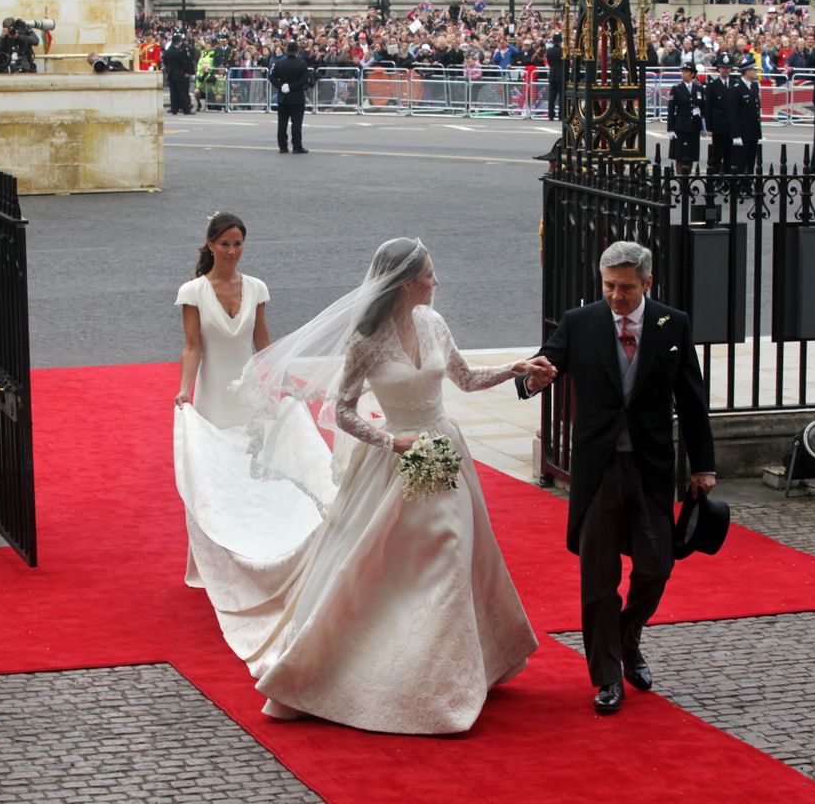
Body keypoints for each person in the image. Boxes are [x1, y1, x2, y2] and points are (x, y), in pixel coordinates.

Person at [173, 237, 542, 733]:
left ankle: (451, 674)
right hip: (394, 460)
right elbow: (340, 411)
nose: (437, 282)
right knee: (378, 566)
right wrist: (393, 442)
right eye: (429, 274)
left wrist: (515, 370)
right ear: (406, 283)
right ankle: (383, 664)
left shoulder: (433, 324)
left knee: (455, 554)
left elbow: (465, 378)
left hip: (446, 455)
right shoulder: (367, 341)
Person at [516, 241, 716, 715]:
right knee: (598, 579)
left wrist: (703, 466)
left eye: (626, 287)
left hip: (650, 468)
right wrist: (532, 379)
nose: (615, 296)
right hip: (598, 470)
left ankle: (627, 637)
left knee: (656, 565)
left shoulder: (673, 324)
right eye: (608, 286)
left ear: (648, 284)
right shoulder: (580, 322)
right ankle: (606, 676)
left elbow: (692, 399)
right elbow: (544, 365)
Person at [174, 212, 272, 428]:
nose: (232, 251)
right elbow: (192, 347)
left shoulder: (257, 288)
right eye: (224, 244)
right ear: (211, 245)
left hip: (248, 391)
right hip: (212, 395)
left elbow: (263, 341)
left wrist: (280, 378)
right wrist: (184, 389)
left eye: (238, 244)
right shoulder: (192, 292)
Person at [268, 40, 309, 154]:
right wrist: (292, 86)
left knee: (282, 122)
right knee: (296, 123)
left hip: (283, 97)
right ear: (297, 51)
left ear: (286, 50)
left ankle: (282, 146)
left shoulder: (280, 63)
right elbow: (304, 80)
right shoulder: (301, 64)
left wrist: (281, 86)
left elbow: (271, 77)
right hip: (296, 97)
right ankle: (297, 146)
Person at [667, 61, 704, 175]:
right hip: (681, 126)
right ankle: (681, 180)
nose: (684, 74)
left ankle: (687, 178)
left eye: (687, 72)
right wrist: (670, 129)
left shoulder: (698, 88)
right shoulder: (676, 88)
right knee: (680, 155)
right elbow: (671, 109)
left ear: (693, 74)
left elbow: (703, 106)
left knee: (691, 155)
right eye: (683, 72)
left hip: (694, 126)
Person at [705, 52, 735, 184]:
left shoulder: (735, 83)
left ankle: (728, 180)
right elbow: (708, 107)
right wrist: (709, 126)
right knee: (717, 154)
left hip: (732, 126)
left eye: (727, 67)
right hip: (719, 125)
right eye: (723, 67)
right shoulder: (712, 85)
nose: (725, 70)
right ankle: (716, 180)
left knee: (730, 155)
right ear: (718, 69)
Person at [729, 56, 763, 176]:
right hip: (743, 132)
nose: (755, 72)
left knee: (751, 161)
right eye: (753, 70)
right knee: (741, 162)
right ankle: (739, 186)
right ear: (747, 71)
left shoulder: (754, 86)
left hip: (753, 131)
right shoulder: (737, 89)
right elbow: (734, 114)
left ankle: (748, 185)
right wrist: (736, 135)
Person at [163, 33, 195, 115]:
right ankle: (186, 109)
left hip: (171, 74)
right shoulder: (179, 52)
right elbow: (183, 63)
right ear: (178, 42)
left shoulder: (167, 52)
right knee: (182, 93)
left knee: (173, 93)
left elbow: (165, 62)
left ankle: (174, 109)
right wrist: (187, 72)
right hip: (179, 75)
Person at [545, 32, 564, 122]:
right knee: (561, 96)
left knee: (552, 97)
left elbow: (549, 62)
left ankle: (551, 115)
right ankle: (561, 115)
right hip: (561, 74)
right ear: (560, 41)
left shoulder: (549, 51)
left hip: (552, 73)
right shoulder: (563, 51)